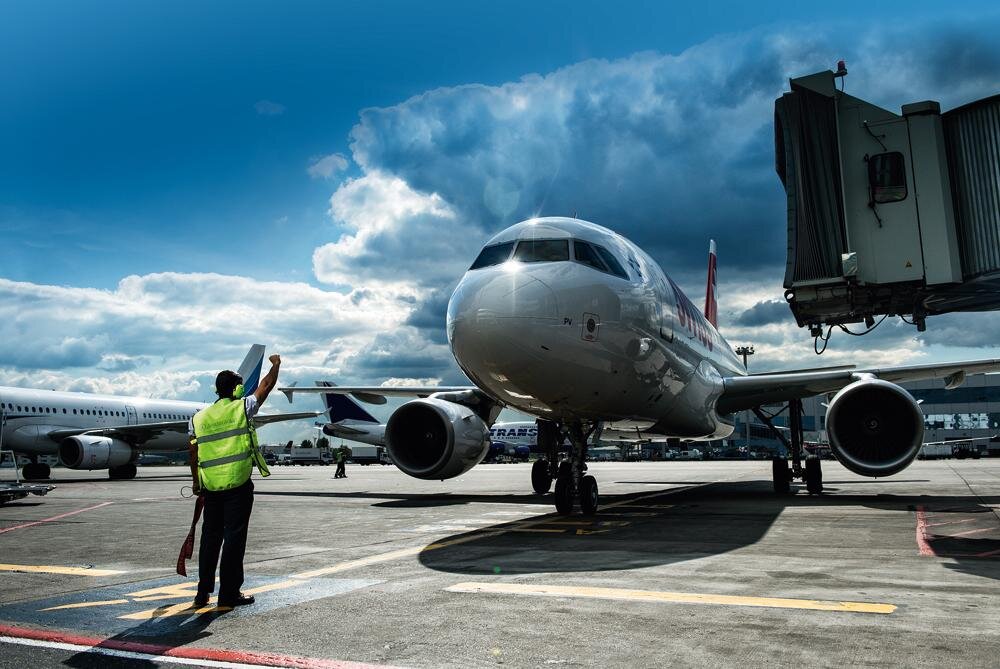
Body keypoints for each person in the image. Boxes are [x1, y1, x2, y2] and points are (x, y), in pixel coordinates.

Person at [188, 354, 281, 609]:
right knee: (233, 539)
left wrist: (197, 483)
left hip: (210, 487)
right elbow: (265, 387)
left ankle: (202, 593)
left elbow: (193, 452)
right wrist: (276, 366)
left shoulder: (198, 418)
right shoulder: (243, 407)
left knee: (210, 539)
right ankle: (229, 593)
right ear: (238, 388)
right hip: (237, 486)